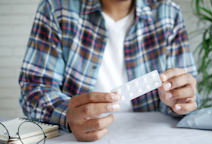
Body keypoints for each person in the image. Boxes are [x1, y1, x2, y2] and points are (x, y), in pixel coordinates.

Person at [19, 0, 200, 142]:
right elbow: (34, 90)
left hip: (154, 137)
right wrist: (68, 115)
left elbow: (189, 97)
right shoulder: (56, 8)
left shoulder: (169, 13)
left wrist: (179, 100)